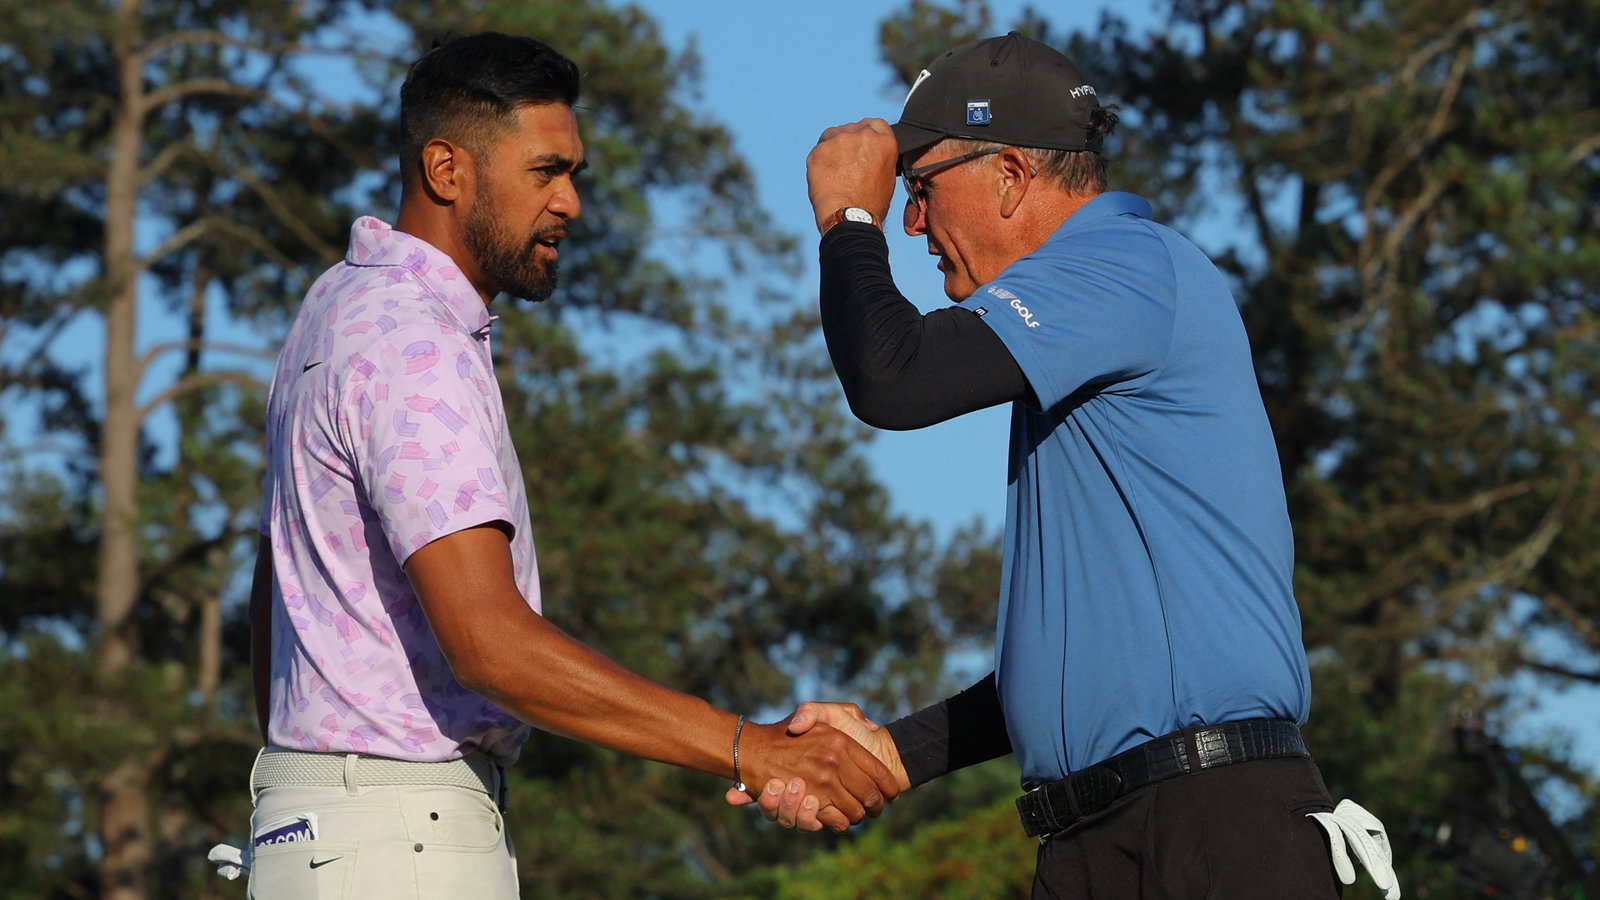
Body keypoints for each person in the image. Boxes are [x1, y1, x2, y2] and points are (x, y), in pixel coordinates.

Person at [231, 32, 897, 898]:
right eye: (546, 171)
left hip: (314, 828)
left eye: (572, 173)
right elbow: (488, 643)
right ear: (446, 169)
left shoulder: (336, 306)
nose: (572, 203)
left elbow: (271, 598)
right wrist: (749, 745)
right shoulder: (414, 341)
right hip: (396, 842)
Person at [734, 31, 1398, 900]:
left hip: (1211, 828)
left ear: (1010, 174)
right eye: (900, 200)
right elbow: (1077, 669)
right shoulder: (1081, 338)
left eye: (921, 186)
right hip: (1104, 839)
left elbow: (893, 379)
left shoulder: (1126, 266)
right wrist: (898, 751)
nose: (913, 222)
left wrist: (847, 221)